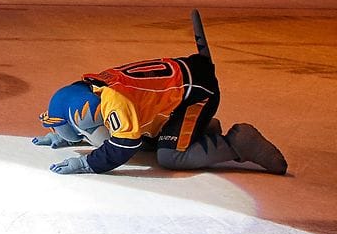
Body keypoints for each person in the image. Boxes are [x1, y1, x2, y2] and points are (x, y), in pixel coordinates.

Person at [33, 11, 287, 176]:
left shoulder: (114, 101)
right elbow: (86, 119)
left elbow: (124, 144)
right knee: (147, 142)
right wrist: (66, 136)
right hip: (182, 83)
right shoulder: (95, 87)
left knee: (171, 156)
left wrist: (88, 163)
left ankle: (238, 143)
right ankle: (201, 129)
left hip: (197, 93)